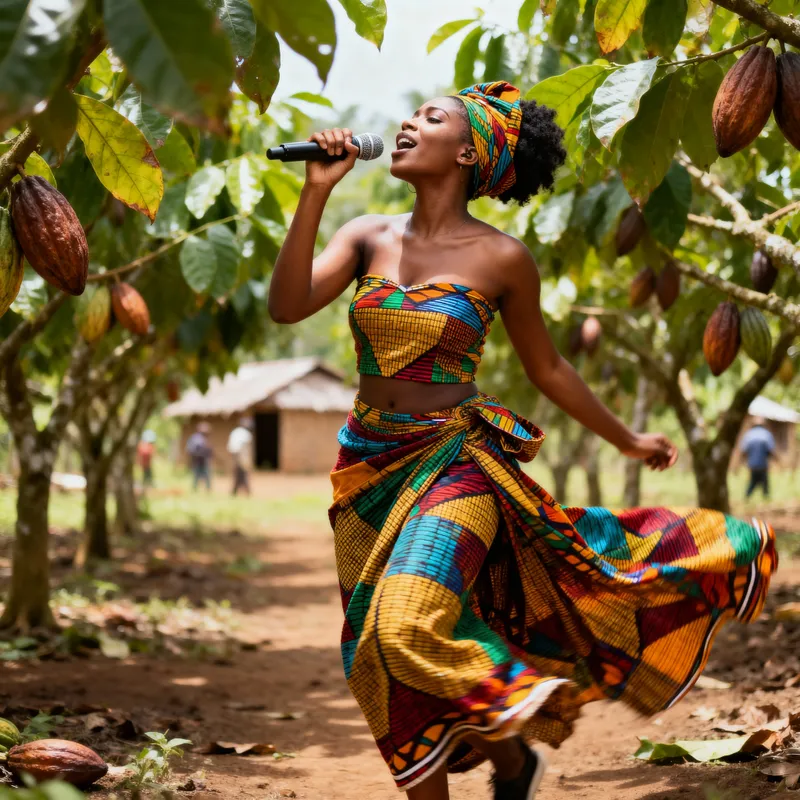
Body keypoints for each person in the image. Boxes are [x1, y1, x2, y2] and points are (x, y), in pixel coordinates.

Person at [267, 82, 777, 800]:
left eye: (431, 118)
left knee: (403, 625)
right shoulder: (367, 236)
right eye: (410, 115)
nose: (408, 123)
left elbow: (549, 367)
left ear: (470, 152)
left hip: (457, 466)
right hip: (366, 471)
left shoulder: (503, 258)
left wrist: (626, 437)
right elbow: (286, 305)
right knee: (385, 658)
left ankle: (527, 696)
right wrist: (316, 192)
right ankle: (512, 763)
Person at [740, 416, 777, 499]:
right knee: (763, 482)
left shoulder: (749, 435)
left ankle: (747, 496)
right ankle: (764, 497)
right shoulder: (766, 434)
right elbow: (771, 450)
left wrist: (742, 462)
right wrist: (777, 460)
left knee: (754, 481)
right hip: (762, 464)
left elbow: (744, 451)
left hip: (752, 464)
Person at [227, 417, 254, 496]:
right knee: (243, 473)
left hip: (234, 455)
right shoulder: (246, 434)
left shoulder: (235, 431)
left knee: (238, 473)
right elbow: (244, 448)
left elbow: (230, 447)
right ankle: (246, 491)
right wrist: (246, 459)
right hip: (241, 455)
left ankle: (235, 491)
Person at [185, 422, 213, 492]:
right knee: (197, 475)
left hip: (203, 460)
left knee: (206, 475)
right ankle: (195, 489)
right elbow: (191, 450)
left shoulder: (203, 439)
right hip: (198, 460)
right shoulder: (196, 438)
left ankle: (207, 489)